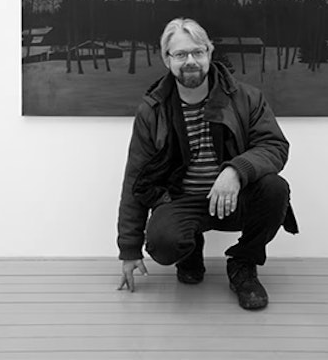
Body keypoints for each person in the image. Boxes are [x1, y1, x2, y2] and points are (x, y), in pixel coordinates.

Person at [117, 17, 298, 310]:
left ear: (209, 53)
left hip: (234, 199)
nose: (190, 61)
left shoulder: (246, 97)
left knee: (275, 189)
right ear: (166, 59)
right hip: (181, 202)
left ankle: (243, 263)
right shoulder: (152, 110)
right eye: (180, 54)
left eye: (197, 52)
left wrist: (235, 171)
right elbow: (135, 179)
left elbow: (275, 146)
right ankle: (189, 250)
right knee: (162, 243)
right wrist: (129, 248)